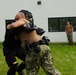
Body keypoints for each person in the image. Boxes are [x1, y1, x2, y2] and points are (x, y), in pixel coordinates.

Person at [7, 9, 62, 75]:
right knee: (50, 69)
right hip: (44, 47)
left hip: (36, 48)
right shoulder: (28, 25)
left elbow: (13, 26)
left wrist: (9, 26)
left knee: (31, 71)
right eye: (15, 19)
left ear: (23, 18)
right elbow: (17, 38)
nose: (15, 20)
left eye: (17, 18)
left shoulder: (23, 21)